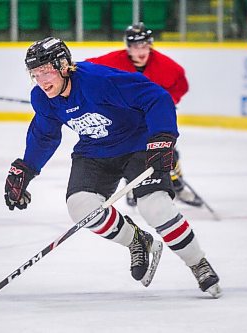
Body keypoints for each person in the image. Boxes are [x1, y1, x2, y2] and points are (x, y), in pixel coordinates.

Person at [4, 37, 222, 297]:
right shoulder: (42, 97)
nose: (41, 80)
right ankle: (137, 240)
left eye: (46, 71)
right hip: (94, 151)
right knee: (80, 206)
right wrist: (26, 168)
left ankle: (198, 262)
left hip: (137, 144)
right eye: (35, 74)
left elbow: (157, 97)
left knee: (155, 206)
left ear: (63, 65)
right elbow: (45, 135)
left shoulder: (99, 81)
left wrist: (162, 136)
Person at [86, 22, 203, 208]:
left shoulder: (167, 66)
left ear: (150, 44)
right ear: (128, 47)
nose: (140, 50)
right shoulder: (111, 61)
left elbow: (181, 85)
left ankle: (178, 186)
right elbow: (84, 71)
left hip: (154, 118)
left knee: (167, 152)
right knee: (127, 153)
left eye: (144, 45)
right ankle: (132, 185)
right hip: (124, 120)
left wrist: (163, 104)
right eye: (134, 46)